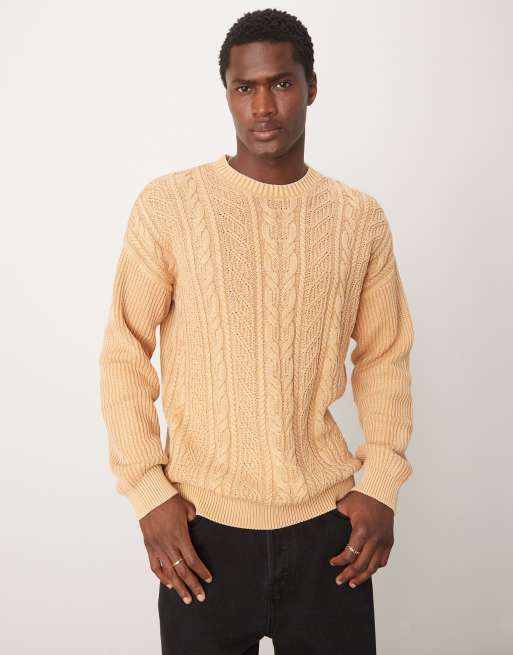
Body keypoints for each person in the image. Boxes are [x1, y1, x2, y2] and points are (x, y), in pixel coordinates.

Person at [98, 8, 414, 654]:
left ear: (311, 87)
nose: (263, 106)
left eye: (281, 83)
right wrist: (149, 492)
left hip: (328, 535)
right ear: (227, 94)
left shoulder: (359, 219)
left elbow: (384, 355)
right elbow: (124, 351)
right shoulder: (170, 206)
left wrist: (381, 484)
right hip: (201, 534)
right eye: (245, 87)